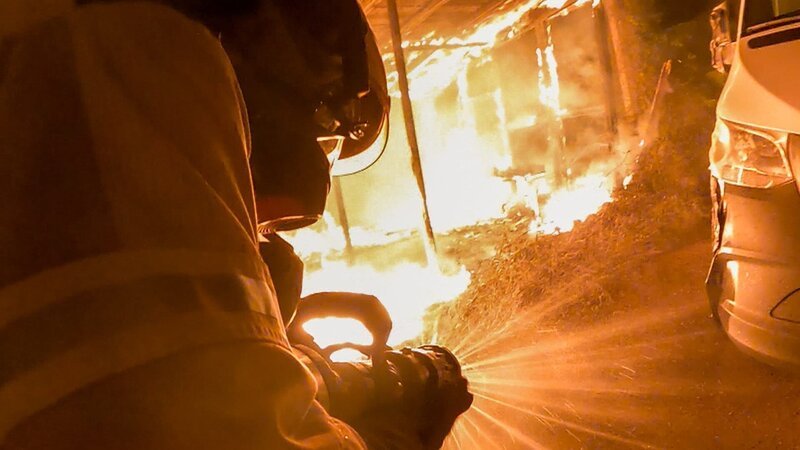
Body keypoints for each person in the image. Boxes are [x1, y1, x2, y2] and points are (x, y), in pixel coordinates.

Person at [0, 1, 466, 449]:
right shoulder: (134, 65)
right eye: (324, 131)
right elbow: (217, 436)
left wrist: (259, 340)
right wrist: (392, 436)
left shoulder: (51, 76)